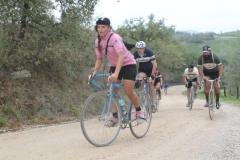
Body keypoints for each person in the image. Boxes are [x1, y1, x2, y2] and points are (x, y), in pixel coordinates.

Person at [91, 17, 144, 126]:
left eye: (103, 27)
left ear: (109, 28)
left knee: (128, 90)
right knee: (111, 91)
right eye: (99, 27)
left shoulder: (115, 38)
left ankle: (139, 111)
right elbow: (99, 59)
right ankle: (115, 117)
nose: (100, 29)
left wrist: (116, 74)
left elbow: (121, 57)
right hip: (115, 66)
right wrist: (94, 72)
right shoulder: (98, 42)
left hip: (128, 63)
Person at [133, 41, 158, 108]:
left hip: (151, 70)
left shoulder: (149, 52)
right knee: (140, 79)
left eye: (140, 48)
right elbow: (133, 65)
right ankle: (142, 97)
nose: (139, 50)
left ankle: (153, 103)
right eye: (137, 48)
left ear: (144, 48)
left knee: (151, 85)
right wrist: (133, 75)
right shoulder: (135, 54)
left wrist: (152, 75)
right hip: (142, 70)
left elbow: (154, 64)